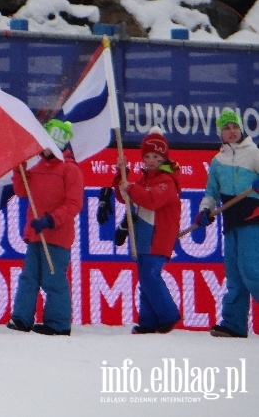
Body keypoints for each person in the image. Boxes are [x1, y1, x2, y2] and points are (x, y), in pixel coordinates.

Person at [7, 119, 83, 336]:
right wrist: (18, 168)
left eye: (47, 143)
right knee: (29, 276)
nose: (42, 147)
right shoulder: (39, 167)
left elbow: (74, 204)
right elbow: (23, 191)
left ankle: (58, 323)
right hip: (36, 235)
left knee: (53, 278)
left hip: (57, 236)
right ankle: (21, 317)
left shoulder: (70, 170)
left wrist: (51, 220)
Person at [111, 127, 182, 334]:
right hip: (143, 237)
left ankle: (168, 314)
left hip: (158, 237)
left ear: (164, 158)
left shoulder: (167, 181)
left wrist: (130, 187)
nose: (151, 160)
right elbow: (124, 197)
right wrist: (120, 176)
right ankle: (148, 321)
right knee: (145, 277)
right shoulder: (143, 180)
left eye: (156, 157)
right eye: (148, 156)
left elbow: (150, 200)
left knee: (150, 275)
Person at [196, 109, 259, 338]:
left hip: (253, 219)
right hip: (231, 221)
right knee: (234, 275)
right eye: (226, 128)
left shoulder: (253, 153)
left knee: (252, 271)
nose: (231, 132)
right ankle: (234, 323)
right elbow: (211, 192)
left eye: (234, 127)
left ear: (241, 129)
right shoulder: (217, 161)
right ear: (220, 134)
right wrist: (205, 210)